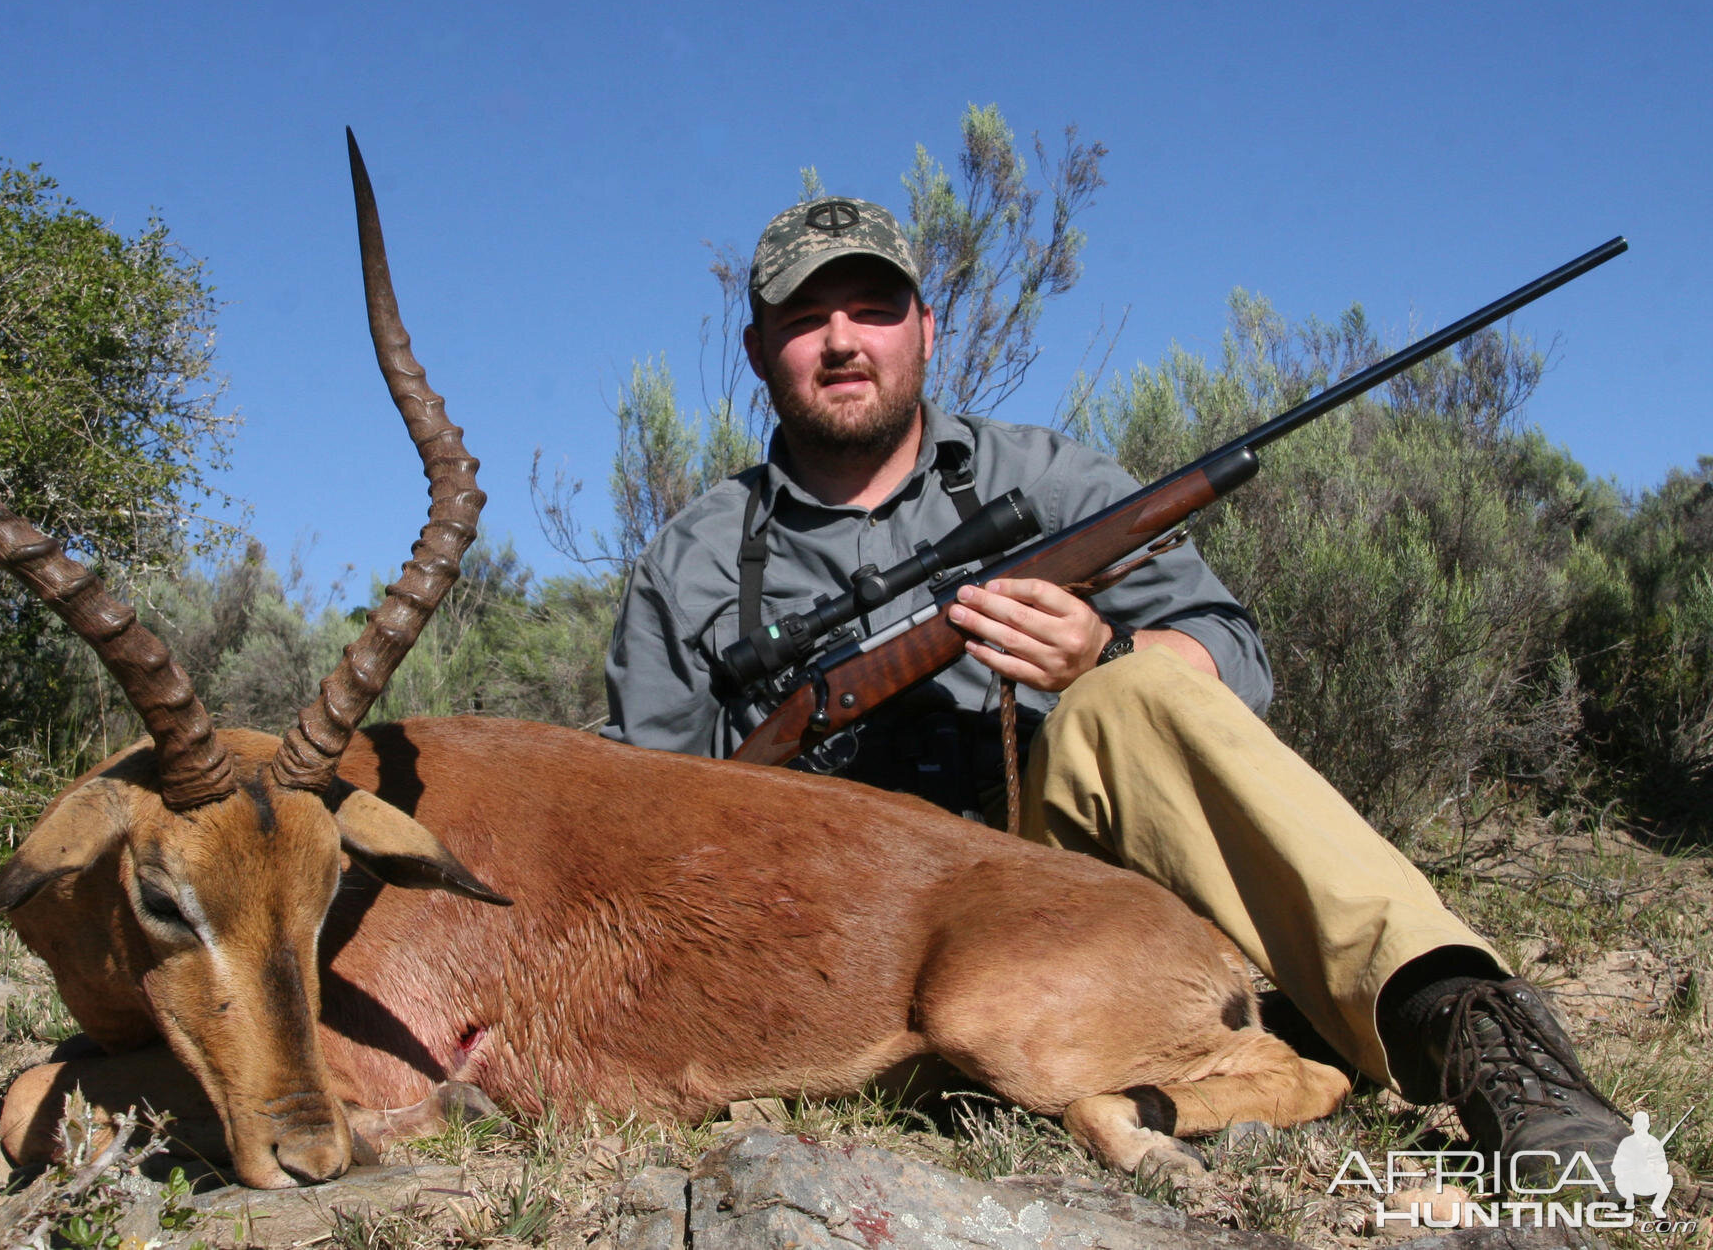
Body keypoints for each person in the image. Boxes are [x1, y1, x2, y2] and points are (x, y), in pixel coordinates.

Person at [602, 195, 1629, 1185]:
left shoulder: (1049, 484)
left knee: (1127, 696)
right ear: (755, 350)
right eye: (805, 318)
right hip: (823, 942)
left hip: (1051, 898)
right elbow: (637, 818)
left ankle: (1467, 1024)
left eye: (873, 309)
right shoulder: (688, 560)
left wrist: (1099, 656)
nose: (842, 341)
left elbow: (1234, 658)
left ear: (925, 329)